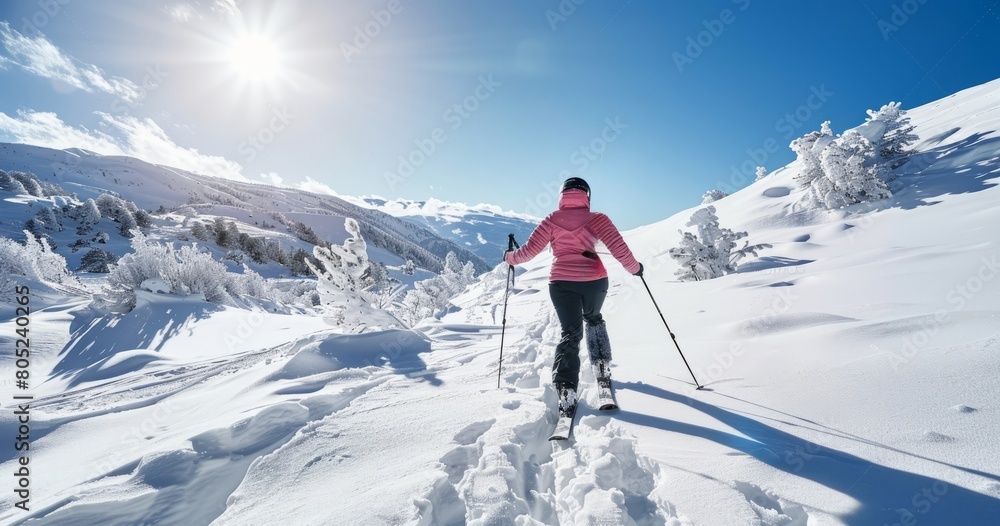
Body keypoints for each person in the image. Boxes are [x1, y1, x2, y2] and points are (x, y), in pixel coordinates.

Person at [504, 177, 643, 415]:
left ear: (562, 195)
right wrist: (635, 268)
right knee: (594, 318)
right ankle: (601, 367)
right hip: (594, 281)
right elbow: (620, 250)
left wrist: (509, 257)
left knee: (570, 332)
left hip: (561, 283)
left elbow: (528, 252)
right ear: (587, 196)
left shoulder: (551, 219)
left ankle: (566, 388)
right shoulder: (598, 219)